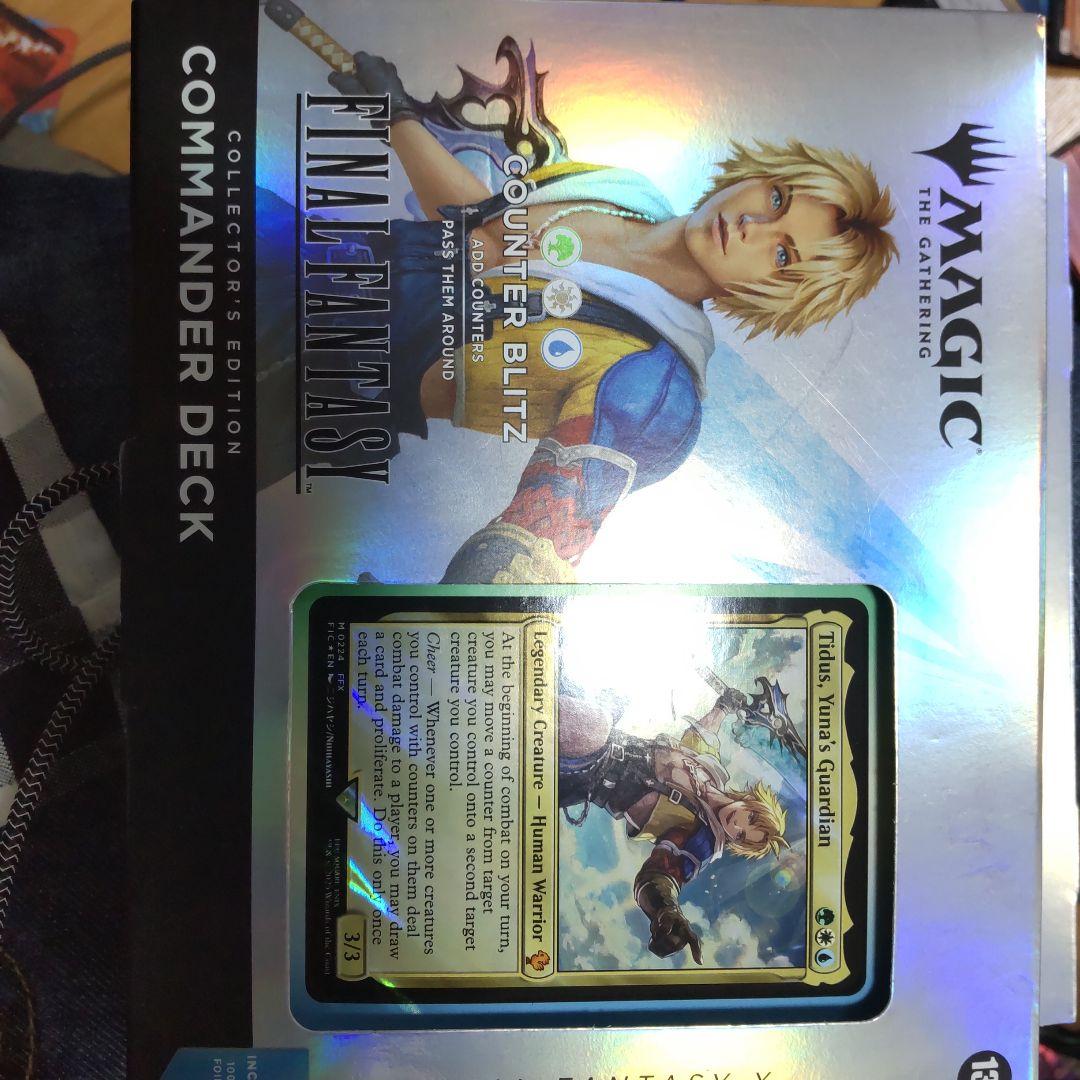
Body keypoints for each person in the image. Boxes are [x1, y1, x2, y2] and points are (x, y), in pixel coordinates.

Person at [320, 48, 897, 584]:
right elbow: (482, 231)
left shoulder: (655, 387)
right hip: (323, 265)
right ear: (760, 174)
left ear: (779, 296)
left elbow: (524, 559)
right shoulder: (624, 189)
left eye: (782, 255)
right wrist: (398, 117)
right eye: (777, 200)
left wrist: (418, 619)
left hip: (331, 382)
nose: (754, 226)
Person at [557, 687, 789, 964]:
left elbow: (663, 872)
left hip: (589, 769)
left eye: (741, 835)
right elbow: (703, 733)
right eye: (749, 818)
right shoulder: (710, 772)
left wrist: (665, 909)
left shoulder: (701, 837)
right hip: (609, 734)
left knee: (594, 724)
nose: (736, 824)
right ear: (750, 802)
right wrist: (724, 707)